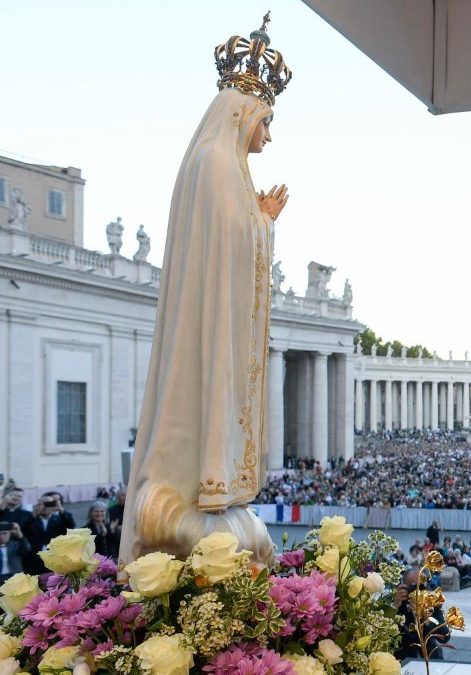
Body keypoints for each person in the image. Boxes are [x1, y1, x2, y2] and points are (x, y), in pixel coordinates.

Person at [120, 16, 290, 565]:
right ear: (244, 115)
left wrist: (260, 220)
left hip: (219, 317)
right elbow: (225, 250)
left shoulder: (222, 165)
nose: (269, 135)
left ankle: (219, 487)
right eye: (267, 122)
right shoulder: (216, 164)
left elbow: (231, 241)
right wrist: (259, 224)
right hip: (213, 324)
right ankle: (208, 480)